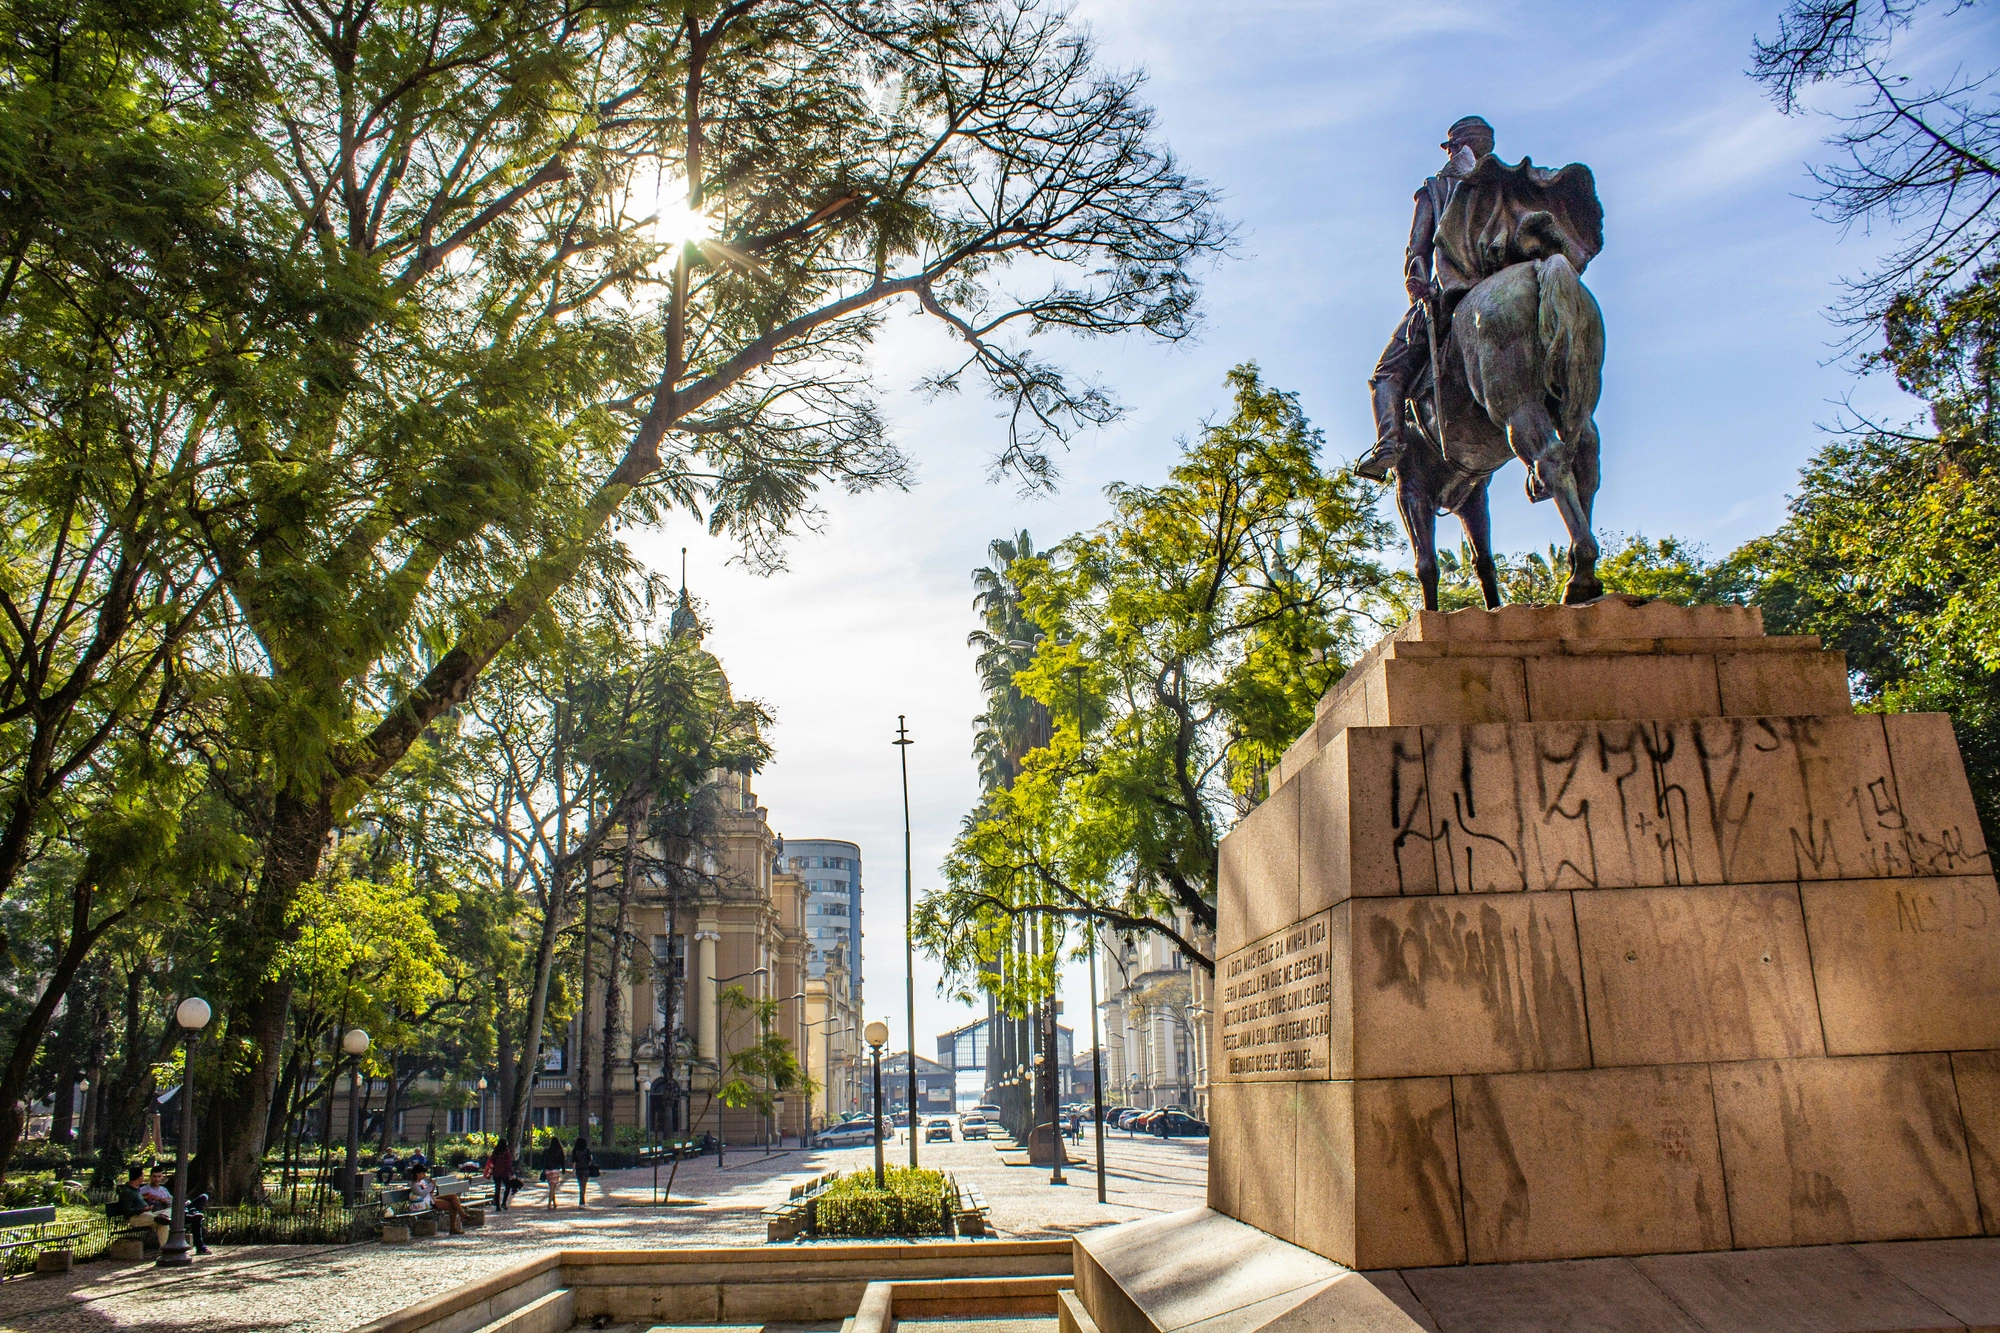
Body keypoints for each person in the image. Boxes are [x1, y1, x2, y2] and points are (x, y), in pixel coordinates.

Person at [1356, 115, 1495, 483]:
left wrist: (1416, 280)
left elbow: (1417, 251)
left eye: (1451, 148)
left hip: (1450, 292)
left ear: (1457, 148)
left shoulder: (1435, 189)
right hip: (1498, 280)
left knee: (1387, 372)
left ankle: (1388, 445)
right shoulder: (1503, 186)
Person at [409, 1163, 467, 1235]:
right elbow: (422, 1193)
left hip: (431, 1198)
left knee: (452, 1196)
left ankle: (462, 1215)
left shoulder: (423, 1182)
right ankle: (454, 1226)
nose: (424, 1175)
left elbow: (430, 1192)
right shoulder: (415, 1185)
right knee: (452, 1206)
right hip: (426, 1202)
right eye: (423, 1173)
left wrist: (433, 1185)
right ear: (417, 1174)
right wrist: (431, 1185)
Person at [538, 1130, 566, 1209]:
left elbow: (543, 1160)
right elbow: (562, 1161)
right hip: (555, 1170)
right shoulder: (559, 1150)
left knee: (551, 1187)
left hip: (547, 1170)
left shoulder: (547, 1150)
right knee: (552, 1188)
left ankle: (554, 1203)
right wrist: (563, 1169)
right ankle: (549, 1204)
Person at [488, 1138, 516, 1212]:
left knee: (497, 1189)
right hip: (504, 1173)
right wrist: (512, 1173)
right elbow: (508, 1164)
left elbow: (491, 1161)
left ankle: (498, 1206)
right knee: (508, 1187)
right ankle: (503, 1203)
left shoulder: (496, 1151)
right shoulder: (506, 1152)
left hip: (496, 1173)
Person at [571, 1129, 595, 1208]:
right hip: (586, 1169)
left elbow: (574, 1161)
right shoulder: (587, 1150)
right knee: (584, 1185)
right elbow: (590, 1160)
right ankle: (582, 1201)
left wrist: (573, 1170)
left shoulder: (575, 1151)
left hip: (579, 1170)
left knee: (580, 1185)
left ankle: (581, 1201)